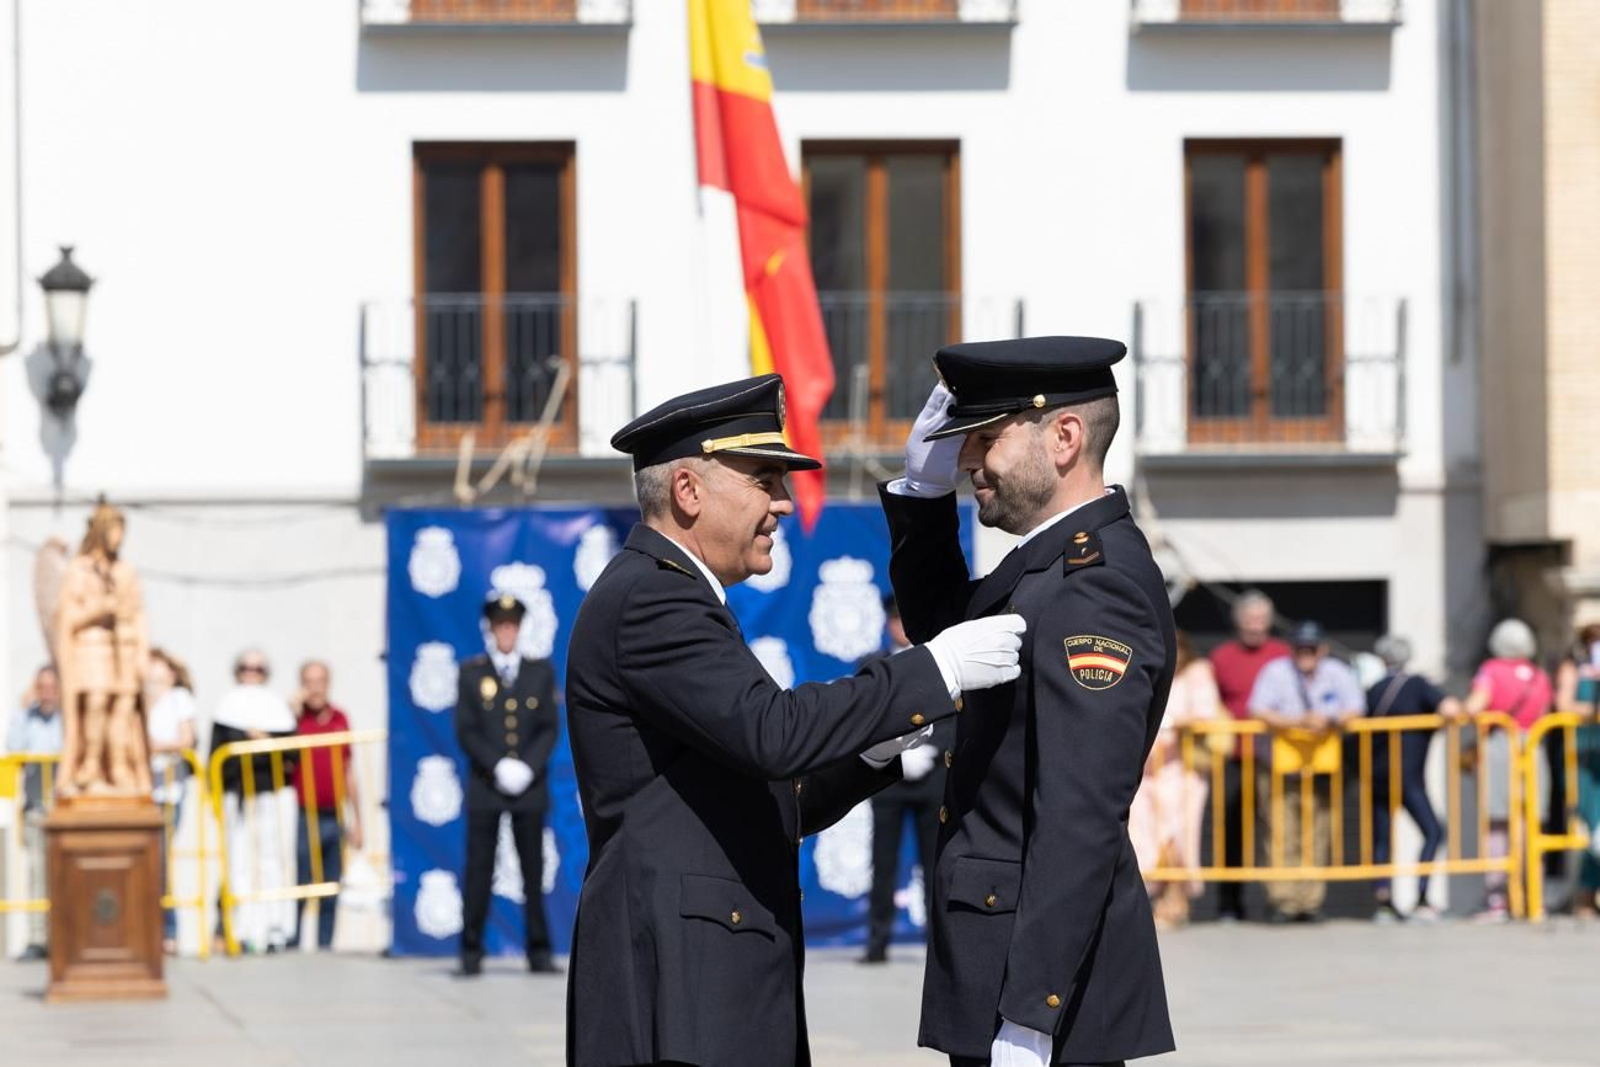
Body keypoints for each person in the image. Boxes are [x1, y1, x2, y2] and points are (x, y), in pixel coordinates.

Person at [564, 374, 1025, 1067]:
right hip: (680, 992)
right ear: (688, 491)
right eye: (763, 480)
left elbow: (766, 793)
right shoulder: (654, 598)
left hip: (706, 987)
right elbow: (773, 733)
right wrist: (934, 669)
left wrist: (870, 753)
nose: (782, 501)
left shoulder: (672, 593)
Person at [882, 336, 1177, 1067]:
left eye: (986, 439)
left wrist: (1030, 1013)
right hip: (1002, 960)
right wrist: (922, 496)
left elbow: (1080, 812)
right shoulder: (1047, 565)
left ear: (1065, 437)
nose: (967, 461)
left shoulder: (1095, 586)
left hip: (1041, 990)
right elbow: (946, 629)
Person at [454, 594, 559, 976]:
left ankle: (539, 951)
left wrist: (527, 767)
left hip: (528, 787)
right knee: (479, 869)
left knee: (533, 871)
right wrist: (497, 765)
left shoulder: (538, 672)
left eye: (511, 625)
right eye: (500, 626)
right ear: (491, 629)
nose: (506, 632)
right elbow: (466, 729)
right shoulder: (472, 673)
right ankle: (471, 952)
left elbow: (548, 727)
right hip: (487, 785)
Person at [1247, 621, 1364, 923]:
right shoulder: (1276, 672)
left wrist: (1329, 720)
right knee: (1280, 833)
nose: (1306, 653)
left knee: (1317, 834)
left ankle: (1309, 902)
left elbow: (1356, 707)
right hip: (1279, 766)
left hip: (1320, 766)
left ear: (1322, 649)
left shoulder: (1337, 672)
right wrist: (1297, 722)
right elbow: (1258, 709)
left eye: (1311, 647)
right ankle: (1283, 901)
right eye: (1301, 647)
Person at [860, 594, 948, 964]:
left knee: (935, 864)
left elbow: (955, 713)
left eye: (904, 618)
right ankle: (877, 941)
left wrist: (934, 750)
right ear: (887, 623)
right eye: (895, 619)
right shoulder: (872, 664)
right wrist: (895, 754)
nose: (900, 626)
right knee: (883, 863)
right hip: (888, 781)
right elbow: (863, 716)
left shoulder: (939, 660)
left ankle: (938, 945)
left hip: (932, 778)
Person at [1206, 590, 1290, 922]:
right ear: (1238, 621)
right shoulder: (1221, 657)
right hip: (1234, 756)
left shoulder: (1282, 654)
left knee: (1278, 830)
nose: (1255, 626)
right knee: (1232, 831)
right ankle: (1230, 904)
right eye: (1249, 619)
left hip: (1275, 755)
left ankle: (1281, 901)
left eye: (1260, 620)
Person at [1364, 635, 1459, 923]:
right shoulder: (1417, 684)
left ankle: (1383, 902)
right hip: (1408, 776)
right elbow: (1450, 708)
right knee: (1433, 832)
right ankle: (1422, 898)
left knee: (1382, 839)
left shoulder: (1373, 690)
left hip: (1376, 775)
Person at [1130, 632, 1221, 929]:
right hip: (1147, 772)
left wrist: (1169, 723)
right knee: (1145, 837)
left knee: (1178, 836)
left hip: (1182, 771)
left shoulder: (1198, 672)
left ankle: (1176, 902)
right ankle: (1155, 900)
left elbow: (1205, 714)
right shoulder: (1149, 670)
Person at [1463, 618, 1552, 922]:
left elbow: (1475, 705)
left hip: (1501, 748)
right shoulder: (1539, 675)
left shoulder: (1491, 670)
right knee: (1531, 826)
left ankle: (1497, 900)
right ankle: (1533, 896)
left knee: (1498, 826)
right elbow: (1544, 712)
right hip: (1534, 749)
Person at [211, 650, 299, 954]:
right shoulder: (227, 706)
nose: (252, 672)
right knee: (240, 864)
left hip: (272, 794)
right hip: (238, 796)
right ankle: (243, 930)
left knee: (274, 861)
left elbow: (293, 753)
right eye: (246, 667)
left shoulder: (276, 707)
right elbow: (218, 754)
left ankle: (274, 929)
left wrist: (259, 739)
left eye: (258, 668)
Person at [289, 660, 362, 952]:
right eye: (308, 682)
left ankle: (325, 947)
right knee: (302, 882)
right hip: (304, 813)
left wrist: (358, 820)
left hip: (334, 813)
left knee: (331, 885)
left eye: (319, 681)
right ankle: (292, 944)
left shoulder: (340, 718)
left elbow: (349, 770)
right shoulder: (295, 720)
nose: (315, 688)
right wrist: (292, 713)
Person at [5, 665, 63, 959]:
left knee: (65, 874)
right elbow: (13, 747)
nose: (47, 694)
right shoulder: (26, 718)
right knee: (37, 874)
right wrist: (23, 707)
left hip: (64, 808)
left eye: (52, 688)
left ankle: (66, 935)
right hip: (37, 806)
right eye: (42, 688)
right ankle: (39, 939)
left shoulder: (67, 720)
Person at [146, 648, 198, 954]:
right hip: (143, 792)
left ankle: (168, 931)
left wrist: (157, 747)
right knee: (145, 863)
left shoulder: (179, 698)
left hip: (169, 792)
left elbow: (186, 739)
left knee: (160, 860)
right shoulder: (138, 700)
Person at [1555, 622, 1600, 917]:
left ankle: (1586, 896)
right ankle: (1584, 896)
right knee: (1594, 825)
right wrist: (1591, 711)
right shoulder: (1573, 667)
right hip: (1581, 754)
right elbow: (1563, 704)